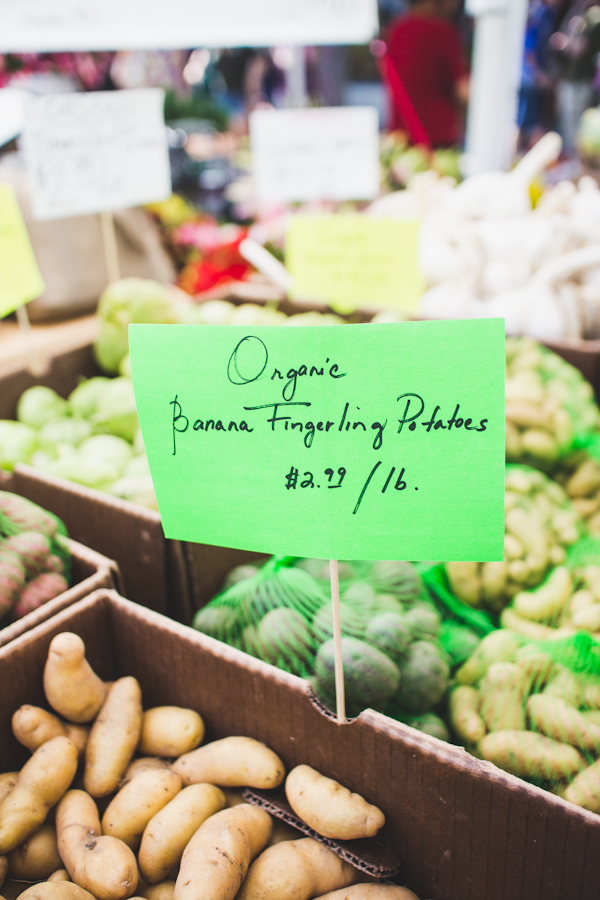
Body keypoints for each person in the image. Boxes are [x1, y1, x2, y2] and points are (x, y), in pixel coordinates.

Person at [384, 0, 469, 147]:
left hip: (400, 137)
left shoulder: (395, 30)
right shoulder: (443, 32)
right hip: (439, 139)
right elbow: (462, 91)